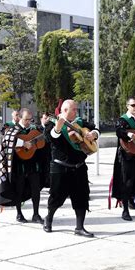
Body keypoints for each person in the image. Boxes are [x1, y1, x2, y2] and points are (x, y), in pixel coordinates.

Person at [42, 99, 99, 237]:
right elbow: (50, 138)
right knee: (56, 197)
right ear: (65, 110)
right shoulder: (51, 123)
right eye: (74, 109)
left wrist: (94, 134)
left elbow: (95, 128)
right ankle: (48, 218)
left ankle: (79, 227)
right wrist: (58, 128)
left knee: (82, 197)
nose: (76, 111)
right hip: (60, 168)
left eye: (76, 109)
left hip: (79, 167)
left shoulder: (80, 122)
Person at [0, 108, 45, 223]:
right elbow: (6, 141)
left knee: (35, 190)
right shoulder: (13, 129)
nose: (28, 121)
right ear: (19, 118)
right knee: (19, 189)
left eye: (30, 119)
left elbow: (44, 142)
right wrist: (23, 143)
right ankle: (19, 214)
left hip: (33, 165)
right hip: (18, 166)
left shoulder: (34, 130)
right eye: (26, 119)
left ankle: (36, 214)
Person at [111, 97, 135, 221]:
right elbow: (119, 131)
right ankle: (125, 209)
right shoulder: (123, 120)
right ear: (127, 106)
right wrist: (131, 135)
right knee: (126, 182)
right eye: (133, 105)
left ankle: (132, 201)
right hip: (126, 156)